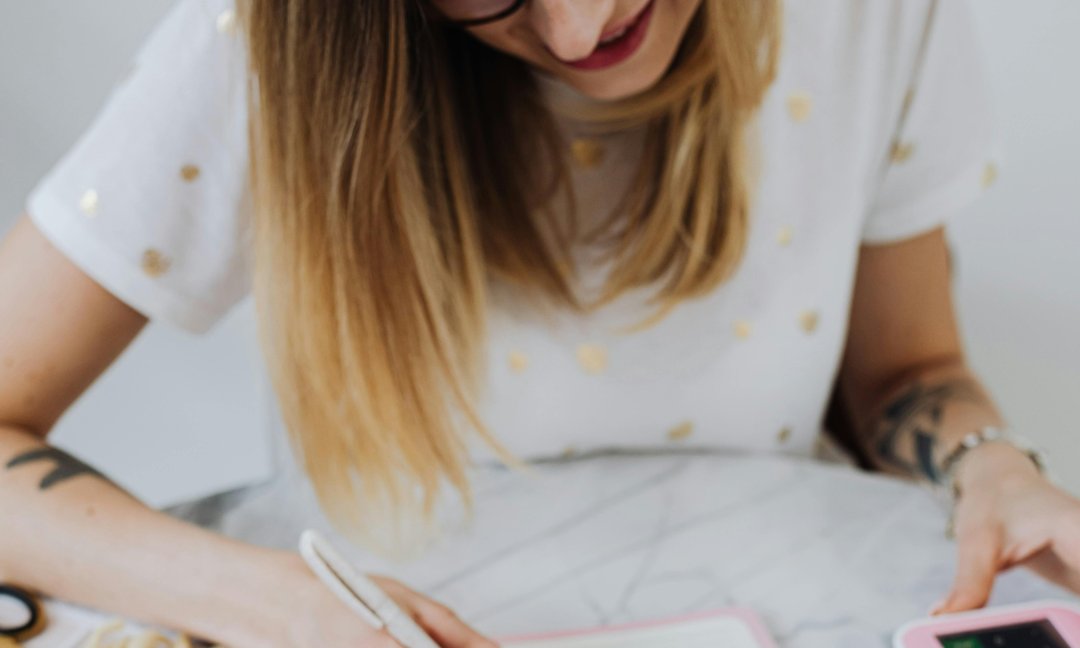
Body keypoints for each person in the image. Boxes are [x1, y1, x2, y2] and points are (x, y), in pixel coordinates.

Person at [1, 0, 1078, 645]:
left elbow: (909, 367)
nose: (579, 28)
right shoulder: (257, 51)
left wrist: (989, 462)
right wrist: (270, 605)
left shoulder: (867, 20)